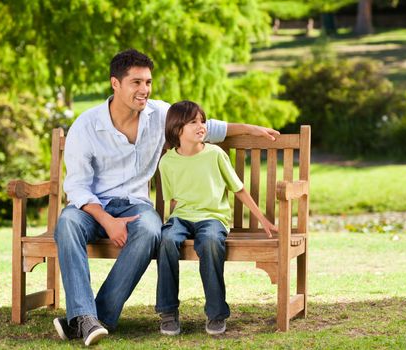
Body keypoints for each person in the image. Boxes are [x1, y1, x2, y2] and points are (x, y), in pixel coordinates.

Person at [52, 49, 280, 346]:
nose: (144, 90)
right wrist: (107, 220)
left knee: (150, 231)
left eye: (148, 82)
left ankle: (95, 319)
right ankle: (85, 316)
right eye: (136, 82)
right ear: (115, 84)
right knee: (67, 222)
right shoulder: (86, 125)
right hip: (92, 208)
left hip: (136, 205)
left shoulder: (159, 114)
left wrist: (249, 128)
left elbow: (204, 128)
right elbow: (78, 188)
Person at [155, 100, 277, 336]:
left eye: (202, 120)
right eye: (193, 122)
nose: (201, 125)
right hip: (182, 218)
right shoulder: (167, 162)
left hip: (213, 218)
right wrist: (172, 227)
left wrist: (262, 219)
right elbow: (173, 202)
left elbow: (238, 189)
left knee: (210, 242)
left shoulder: (215, 154)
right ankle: (168, 312)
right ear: (177, 128)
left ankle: (216, 313)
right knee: (167, 241)